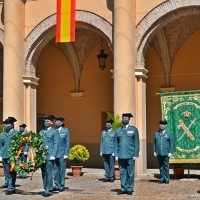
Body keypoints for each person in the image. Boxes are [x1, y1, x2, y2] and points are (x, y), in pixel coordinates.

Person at [115, 113, 140, 195]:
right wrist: (116, 154)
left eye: (126, 118)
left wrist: (136, 154)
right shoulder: (118, 130)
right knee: (122, 172)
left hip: (130, 155)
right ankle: (123, 188)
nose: (124, 119)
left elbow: (137, 143)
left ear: (129, 119)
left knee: (130, 172)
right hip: (121, 154)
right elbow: (116, 143)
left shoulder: (133, 129)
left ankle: (129, 188)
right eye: (123, 118)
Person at [40, 115, 59, 197]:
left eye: (48, 121)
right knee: (43, 172)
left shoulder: (54, 131)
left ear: (51, 122)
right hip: (42, 155)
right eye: (45, 121)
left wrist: (53, 155)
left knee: (48, 172)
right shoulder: (41, 132)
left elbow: (56, 144)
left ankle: (49, 189)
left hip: (50, 154)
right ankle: (45, 187)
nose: (46, 122)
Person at [0, 117, 19, 195]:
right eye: (5, 124)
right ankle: (9, 185)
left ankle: (11, 188)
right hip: (4, 155)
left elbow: (19, 146)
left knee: (12, 172)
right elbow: (1, 145)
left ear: (12, 125)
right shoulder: (2, 134)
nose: (6, 125)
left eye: (7, 124)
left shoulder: (16, 133)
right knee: (7, 172)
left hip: (12, 155)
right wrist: (0, 155)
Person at [153, 120, 174, 184]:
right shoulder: (156, 134)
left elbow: (172, 143)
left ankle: (167, 178)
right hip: (159, 152)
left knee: (166, 165)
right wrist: (154, 151)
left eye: (163, 125)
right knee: (160, 166)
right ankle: (162, 178)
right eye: (160, 125)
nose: (161, 126)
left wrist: (170, 151)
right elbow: (154, 143)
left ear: (165, 126)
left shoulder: (169, 134)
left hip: (166, 152)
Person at [53, 117, 70, 192]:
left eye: (58, 121)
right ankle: (57, 184)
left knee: (62, 170)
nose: (56, 122)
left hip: (62, 153)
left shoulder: (65, 131)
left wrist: (66, 153)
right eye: (56, 121)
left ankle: (61, 185)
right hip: (54, 154)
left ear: (61, 123)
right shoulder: (53, 131)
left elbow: (67, 143)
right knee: (55, 170)